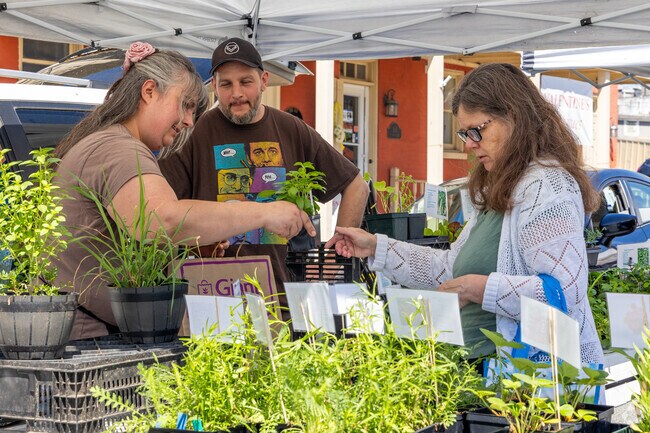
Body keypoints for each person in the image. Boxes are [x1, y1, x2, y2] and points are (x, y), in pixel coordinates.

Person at [327, 63, 604, 364]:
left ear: (513, 117)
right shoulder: (503, 187)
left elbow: (565, 293)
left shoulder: (547, 186)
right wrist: (377, 246)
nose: (470, 144)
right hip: (485, 378)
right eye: (464, 134)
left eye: (477, 131)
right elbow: (450, 270)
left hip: (531, 388)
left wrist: (479, 289)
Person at [54, 42, 315, 340]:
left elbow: (139, 233)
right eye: (186, 104)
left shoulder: (113, 143)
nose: (190, 120)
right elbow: (161, 220)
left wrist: (193, 247)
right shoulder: (118, 149)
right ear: (149, 91)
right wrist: (265, 213)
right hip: (89, 341)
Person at [158, 37, 369, 303]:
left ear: (264, 81)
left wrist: (337, 254)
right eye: (226, 84)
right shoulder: (193, 133)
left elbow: (355, 184)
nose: (236, 93)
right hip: (215, 296)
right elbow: (161, 212)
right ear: (213, 86)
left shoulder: (291, 129)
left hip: (285, 298)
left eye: (246, 81)